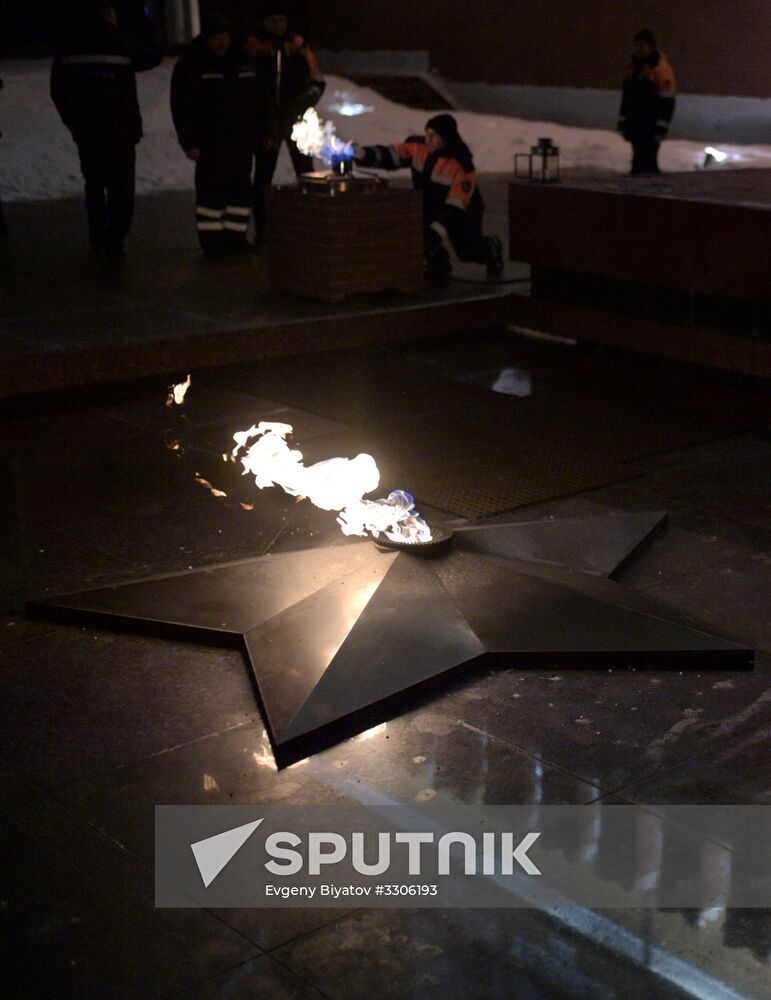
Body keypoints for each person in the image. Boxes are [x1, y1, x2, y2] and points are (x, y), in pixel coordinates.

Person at [50, 0, 160, 260]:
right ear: (110, 17)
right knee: (120, 186)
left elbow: (57, 90)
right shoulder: (119, 42)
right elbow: (152, 56)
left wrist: (74, 122)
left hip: (88, 131)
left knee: (95, 183)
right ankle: (114, 238)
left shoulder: (70, 46)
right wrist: (151, 21)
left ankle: (97, 235)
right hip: (120, 130)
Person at [354, 113, 504, 281]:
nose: (429, 139)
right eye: (427, 133)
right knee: (418, 233)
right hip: (430, 205)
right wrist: (362, 154)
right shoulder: (418, 147)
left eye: (434, 135)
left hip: (462, 211)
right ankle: (438, 265)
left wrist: (436, 232)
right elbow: (391, 155)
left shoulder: (461, 164)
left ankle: (493, 248)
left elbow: (455, 208)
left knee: (467, 251)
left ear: (446, 138)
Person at [170, 13, 257, 254]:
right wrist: (189, 140)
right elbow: (182, 106)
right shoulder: (192, 63)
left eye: (225, 37)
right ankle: (212, 242)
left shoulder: (241, 60)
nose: (222, 43)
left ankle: (236, 238)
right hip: (211, 142)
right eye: (217, 38)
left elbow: (256, 99)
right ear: (206, 39)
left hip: (240, 141)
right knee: (212, 192)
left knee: (240, 191)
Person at [244, 2, 325, 244]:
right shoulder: (254, 46)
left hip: (296, 119)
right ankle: (263, 230)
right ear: (264, 22)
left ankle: (311, 225)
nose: (278, 25)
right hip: (267, 121)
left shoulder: (298, 45)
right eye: (273, 21)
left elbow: (317, 79)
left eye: (282, 20)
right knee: (263, 177)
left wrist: (309, 97)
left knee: (306, 173)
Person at [617, 29, 677, 176]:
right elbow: (626, 99)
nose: (638, 49)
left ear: (650, 47)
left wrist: (661, 128)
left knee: (648, 163)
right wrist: (623, 122)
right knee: (637, 163)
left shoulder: (660, 69)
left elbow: (667, 101)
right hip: (635, 125)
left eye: (641, 45)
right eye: (636, 45)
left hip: (650, 127)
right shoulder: (633, 69)